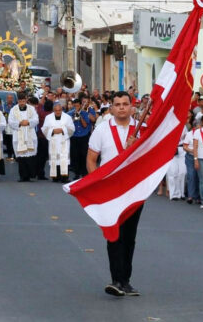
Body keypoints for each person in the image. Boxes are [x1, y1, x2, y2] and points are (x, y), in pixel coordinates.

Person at [86, 91, 142, 297]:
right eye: (117, 104)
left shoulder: (141, 129)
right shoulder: (102, 130)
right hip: (110, 191)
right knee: (114, 234)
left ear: (131, 107)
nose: (121, 107)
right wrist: (97, 185)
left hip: (134, 191)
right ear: (111, 108)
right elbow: (91, 159)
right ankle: (116, 279)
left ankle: (126, 280)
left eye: (125, 104)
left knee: (130, 237)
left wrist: (136, 148)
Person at [9, 96, 40, 182]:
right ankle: (23, 176)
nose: (22, 102)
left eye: (23, 100)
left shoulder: (31, 109)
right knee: (21, 158)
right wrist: (20, 123)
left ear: (26, 100)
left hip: (29, 133)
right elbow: (10, 121)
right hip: (19, 135)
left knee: (30, 156)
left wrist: (28, 122)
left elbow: (36, 119)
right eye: (20, 101)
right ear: (18, 101)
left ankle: (30, 175)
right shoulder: (13, 110)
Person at [42, 102, 75, 183]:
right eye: (56, 110)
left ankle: (64, 177)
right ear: (53, 110)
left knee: (63, 159)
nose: (58, 112)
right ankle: (55, 177)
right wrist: (52, 131)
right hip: (53, 140)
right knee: (54, 158)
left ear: (62, 110)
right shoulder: (48, 117)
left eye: (59, 110)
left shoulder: (67, 117)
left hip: (63, 140)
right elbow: (44, 129)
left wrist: (62, 130)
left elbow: (72, 129)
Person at [68, 97, 97, 180]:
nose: (76, 108)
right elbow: (67, 125)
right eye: (75, 106)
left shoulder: (84, 113)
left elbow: (85, 125)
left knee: (83, 154)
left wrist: (80, 117)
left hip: (83, 136)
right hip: (74, 136)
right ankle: (76, 173)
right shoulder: (69, 113)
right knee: (75, 155)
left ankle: (84, 172)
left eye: (78, 106)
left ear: (80, 105)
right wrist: (73, 118)